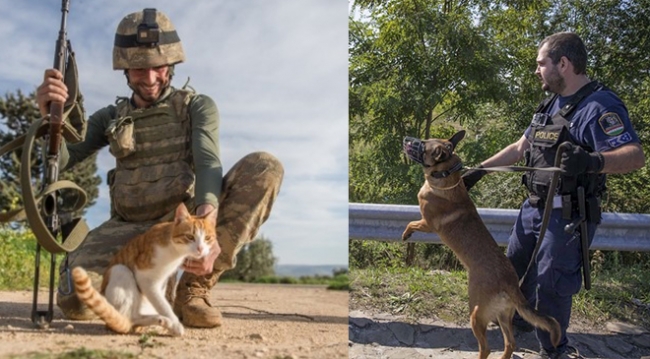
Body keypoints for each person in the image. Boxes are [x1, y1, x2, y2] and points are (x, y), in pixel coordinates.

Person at [35, 8, 284, 328]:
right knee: (77, 303)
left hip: (181, 222)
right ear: (124, 68)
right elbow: (61, 161)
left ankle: (194, 289)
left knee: (264, 167)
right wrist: (50, 121)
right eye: (139, 69)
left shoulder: (196, 106)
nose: (150, 79)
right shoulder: (109, 117)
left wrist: (207, 228)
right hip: (127, 227)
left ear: (172, 64)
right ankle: (152, 291)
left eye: (158, 67)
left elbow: (209, 162)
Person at [462, 32, 645, 358]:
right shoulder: (550, 103)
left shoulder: (600, 105)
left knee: (551, 286)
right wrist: (477, 171)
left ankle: (555, 350)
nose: (536, 70)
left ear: (564, 63)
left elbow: (635, 155)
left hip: (567, 216)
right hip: (532, 209)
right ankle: (518, 325)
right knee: (512, 273)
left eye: (541, 63)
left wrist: (593, 161)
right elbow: (520, 148)